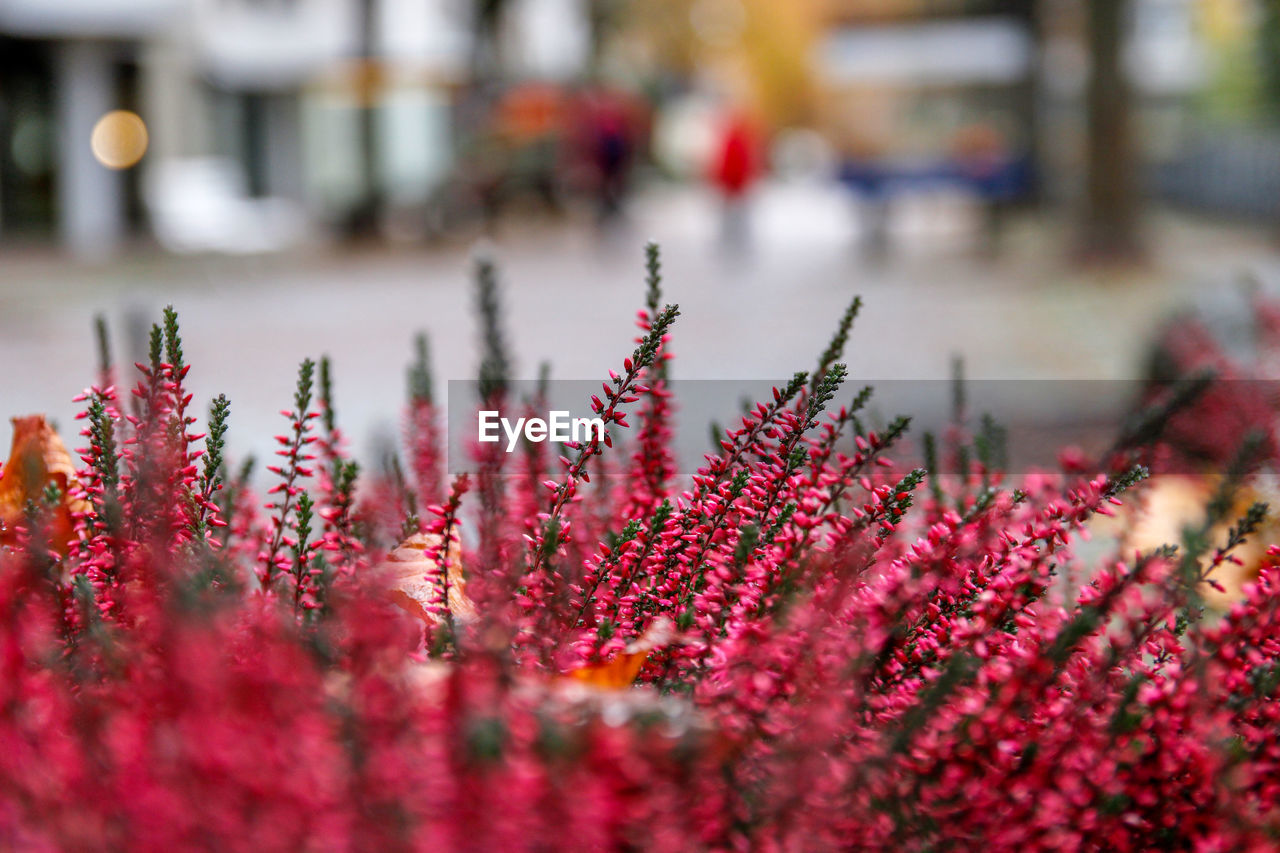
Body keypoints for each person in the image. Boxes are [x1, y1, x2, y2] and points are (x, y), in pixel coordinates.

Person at [710, 109, 761, 252]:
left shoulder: (736, 139)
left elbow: (738, 163)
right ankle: (733, 240)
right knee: (733, 215)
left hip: (735, 185)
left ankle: (734, 240)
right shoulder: (737, 139)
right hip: (733, 184)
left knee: (734, 215)